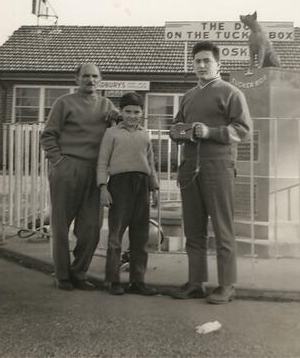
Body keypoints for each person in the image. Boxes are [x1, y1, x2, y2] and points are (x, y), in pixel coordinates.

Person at [170, 41, 251, 304]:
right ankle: (196, 282)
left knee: (222, 228)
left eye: (207, 61)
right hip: (189, 168)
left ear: (219, 64)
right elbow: (175, 130)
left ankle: (227, 285)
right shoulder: (188, 96)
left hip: (218, 168)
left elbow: (243, 130)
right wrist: (187, 131)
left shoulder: (231, 93)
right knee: (193, 229)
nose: (202, 65)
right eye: (197, 61)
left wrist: (210, 132)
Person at [40, 63, 117, 291]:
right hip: (67, 167)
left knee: (91, 228)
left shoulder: (107, 105)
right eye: (85, 76)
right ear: (77, 79)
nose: (90, 80)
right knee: (61, 224)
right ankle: (62, 275)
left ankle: (79, 272)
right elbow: (48, 135)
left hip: (95, 171)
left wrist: (117, 119)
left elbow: (116, 134)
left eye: (95, 76)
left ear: (100, 80)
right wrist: (60, 163)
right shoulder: (64, 103)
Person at [97, 91, 159, 296]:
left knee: (140, 236)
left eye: (136, 111)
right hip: (119, 186)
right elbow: (102, 162)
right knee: (116, 235)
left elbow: (150, 163)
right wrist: (103, 187)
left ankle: (137, 280)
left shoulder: (144, 134)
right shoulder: (112, 133)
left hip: (141, 186)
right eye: (128, 111)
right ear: (121, 112)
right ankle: (113, 280)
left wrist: (155, 188)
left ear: (142, 112)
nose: (132, 115)